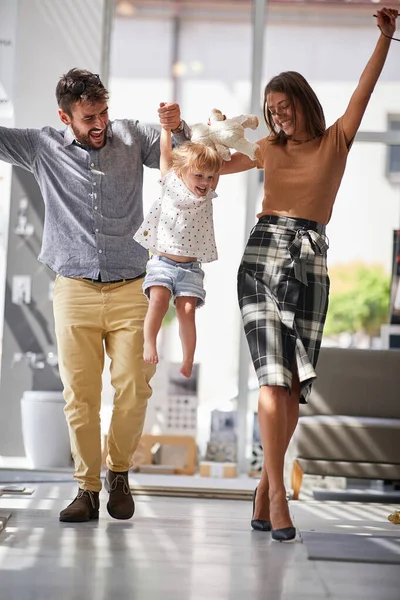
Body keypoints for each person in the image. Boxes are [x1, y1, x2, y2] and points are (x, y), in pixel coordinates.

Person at [221, 7, 398, 541]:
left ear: (302, 102)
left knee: (294, 388)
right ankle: (278, 496)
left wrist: (385, 38)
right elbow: (209, 161)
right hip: (262, 258)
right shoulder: (266, 149)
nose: (278, 119)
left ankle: (262, 486)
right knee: (273, 378)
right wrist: (186, 133)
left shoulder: (336, 141)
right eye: (271, 112)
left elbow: (365, 90)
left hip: (311, 262)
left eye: (284, 108)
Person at [0, 68, 190, 522]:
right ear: (66, 117)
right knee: (79, 395)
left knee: (133, 389)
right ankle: (86, 489)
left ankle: (118, 473)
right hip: (74, 290)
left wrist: (177, 126)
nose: (100, 122)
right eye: (89, 117)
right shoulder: (41, 146)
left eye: (103, 111)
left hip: (132, 288)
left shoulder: (130, 136)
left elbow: (183, 156)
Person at [134, 126, 223, 378]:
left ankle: (188, 358)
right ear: (182, 171)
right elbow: (165, 153)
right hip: (163, 262)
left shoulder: (207, 195)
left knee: (187, 313)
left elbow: (215, 163)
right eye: (199, 176)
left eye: (210, 177)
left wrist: (215, 137)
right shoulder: (170, 182)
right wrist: (165, 129)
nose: (205, 182)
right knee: (159, 302)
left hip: (190, 269)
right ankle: (149, 341)